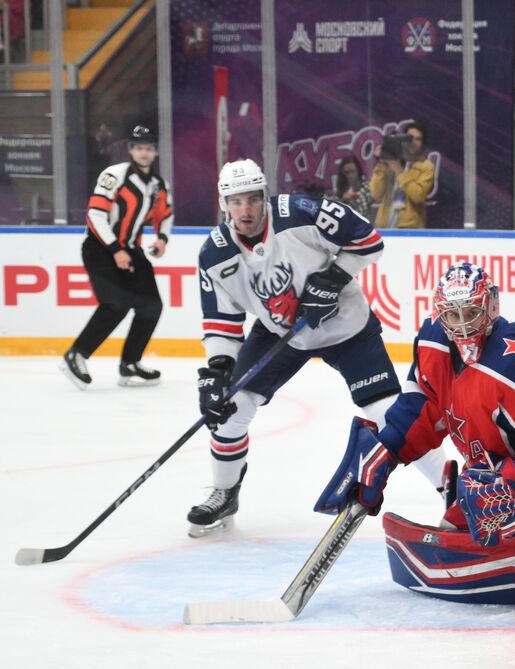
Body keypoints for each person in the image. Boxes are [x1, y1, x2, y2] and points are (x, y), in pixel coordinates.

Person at [314, 261, 515, 603]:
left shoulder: (511, 361)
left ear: (490, 308)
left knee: (498, 523)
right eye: (452, 315)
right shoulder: (434, 343)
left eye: (472, 313)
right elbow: (422, 407)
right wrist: (384, 453)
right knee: (455, 532)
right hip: (483, 476)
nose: (462, 326)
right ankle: (474, 503)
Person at [189, 158, 444, 536]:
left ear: (265, 196)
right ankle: (225, 492)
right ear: (223, 204)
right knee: (230, 408)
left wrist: (334, 277)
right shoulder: (215, 254)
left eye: (253, 199)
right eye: (236, 201)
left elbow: (368, 240)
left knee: (388, 411)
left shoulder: (300, 214)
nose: (246, 210)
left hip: (346, 326)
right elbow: (222, 323)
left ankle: (450, 488)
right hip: (280, 333)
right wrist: (216, 372)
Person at [60, 126, 173, 389]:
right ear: (131, 149)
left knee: (151, 306)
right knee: (116, 304)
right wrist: (115, 250)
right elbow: (95, 214)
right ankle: (76, 354)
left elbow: (164, 215)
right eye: (139, 147)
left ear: (155, 151)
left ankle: (130, 364)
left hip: (131, 250)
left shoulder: (158, 185)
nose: (144, 152)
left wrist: (162, 239)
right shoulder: (114, 175)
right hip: (100, 249)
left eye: (148, 148)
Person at [370, 121, 434, 229]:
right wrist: (382, 162)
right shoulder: (389, 163)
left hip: (410, 230)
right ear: (402, 139)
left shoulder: (426, 166)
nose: (413, 142)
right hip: (384, 228)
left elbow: (418, 196)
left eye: (418, 139)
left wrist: (398, 169)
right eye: (409, 138)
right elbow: (375, 194)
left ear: (423, 143)